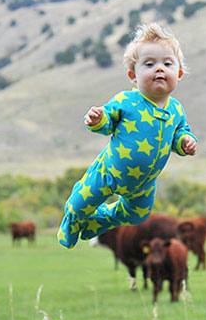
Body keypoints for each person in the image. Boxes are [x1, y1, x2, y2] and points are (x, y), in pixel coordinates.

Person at [57, 23, 197, 249]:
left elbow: (181, 134)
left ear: (179, 73)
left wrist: (185, 143)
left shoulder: (176, 110)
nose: (159, 69)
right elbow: (108, 120)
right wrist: (98, 119)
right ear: (133, 75)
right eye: (149, 64)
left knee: (136, 216)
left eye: (167, 63)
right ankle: (72, 220)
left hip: (143, 184)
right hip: (109, 173)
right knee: (80, 203)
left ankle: (100, 221)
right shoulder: (127, 101)